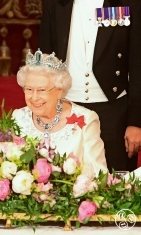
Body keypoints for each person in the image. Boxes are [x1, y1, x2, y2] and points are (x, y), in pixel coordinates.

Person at [37, 0, 141, 172]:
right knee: (64, 182)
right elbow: (44, 60)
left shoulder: (128, 3)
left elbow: (138, 65)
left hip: (113, 111)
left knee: (116, 185)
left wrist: (136, 122)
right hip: (66, 108)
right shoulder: (56, 4)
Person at [12, 50, 108, 176]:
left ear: (59, 90)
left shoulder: (86, 119)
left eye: (41, 90)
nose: (34, 97)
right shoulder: (18, 117)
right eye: (29, 89)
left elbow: (98, 174)